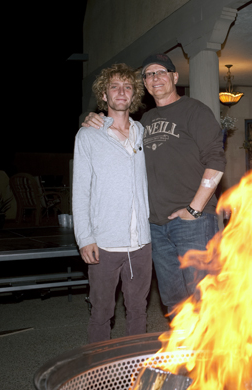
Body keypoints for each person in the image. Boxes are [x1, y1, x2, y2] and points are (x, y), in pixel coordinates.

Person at [83, 53, 226, 317]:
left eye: (161, 72)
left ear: (174, 77)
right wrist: (96, 119)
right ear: (145, 85)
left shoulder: (195, 111)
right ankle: (182, 355)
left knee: (204, 298)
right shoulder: (144, 122)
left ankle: (214, 358)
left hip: (192, 223)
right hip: (156, 228)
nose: (155, 78)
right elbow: (118, 129)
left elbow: (216, 162)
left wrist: (193, 210)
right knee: (174, 301)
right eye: (149, 74)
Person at [73, 63, 152, 343]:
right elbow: (80, 191)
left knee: (138, 311)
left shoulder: (145, 133)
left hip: (141, 243)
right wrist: (84, 238)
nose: (121, 92)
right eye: (114, 87)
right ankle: (99, 375)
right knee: (101, 313)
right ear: (104, 95)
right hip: (104, 244)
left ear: (134, 95)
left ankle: (135, 373)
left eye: (127, 87)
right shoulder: (88, 135)